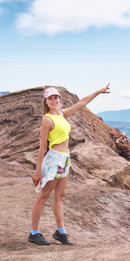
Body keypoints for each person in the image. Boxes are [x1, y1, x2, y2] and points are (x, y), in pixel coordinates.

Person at [29, 84, 111, 246]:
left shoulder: (61, 114)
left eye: (56, 97)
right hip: (53, 159)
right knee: (43, 197)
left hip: (65, 158)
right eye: (50, 98)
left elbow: (82, 103)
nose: (54, 100)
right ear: (46, 101)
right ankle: (34, 233)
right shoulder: (47, 120)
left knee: (60, 196)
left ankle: (60, 232)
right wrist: (37, 172)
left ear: (59, 99)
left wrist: (98, 91)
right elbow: (42, 147)